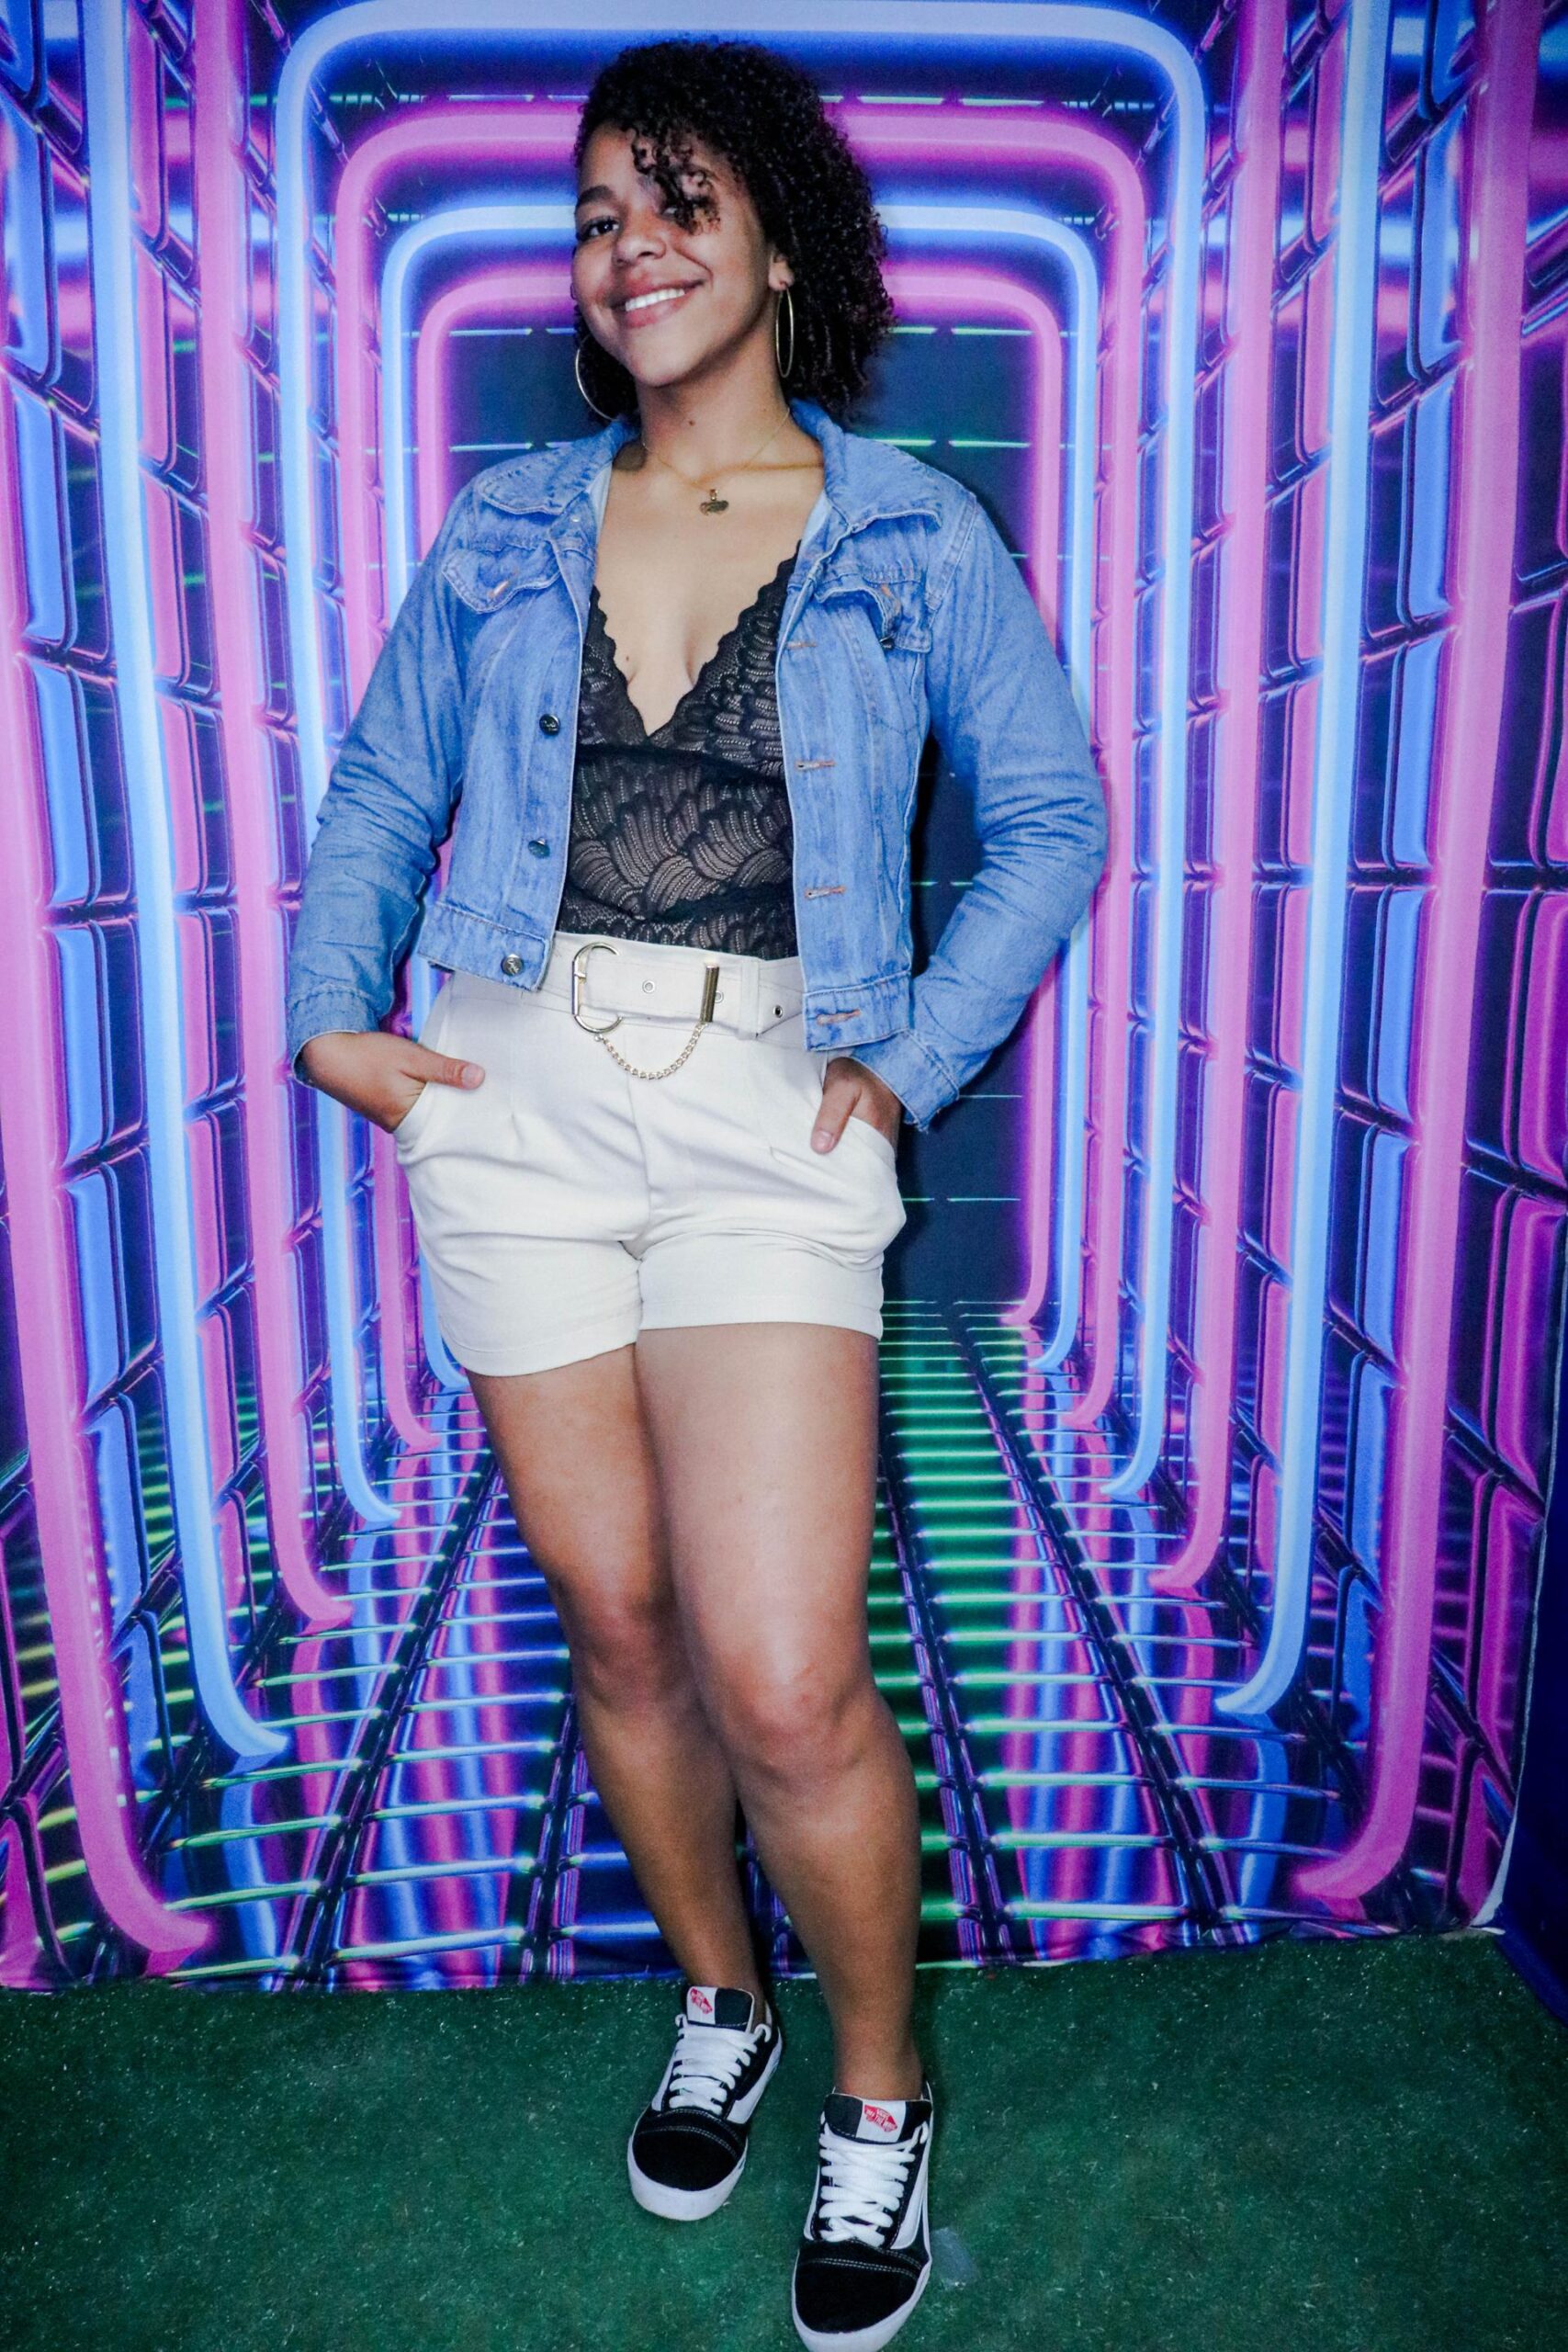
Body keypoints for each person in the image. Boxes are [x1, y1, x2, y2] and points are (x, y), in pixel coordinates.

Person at [287, 36, 1107, 2352]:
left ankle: (879, 2087)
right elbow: (384, 785)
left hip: (772, 1109)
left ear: (776, 242)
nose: (626, 248)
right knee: (624, 1622)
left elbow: (1046, 817)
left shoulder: (909, 532)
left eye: (674, 203)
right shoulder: (507, 525)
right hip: (515, 1090)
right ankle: (722, 1996)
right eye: (592, 214)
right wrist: (336, 1015)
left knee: (780, 1663)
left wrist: (908, 1061)